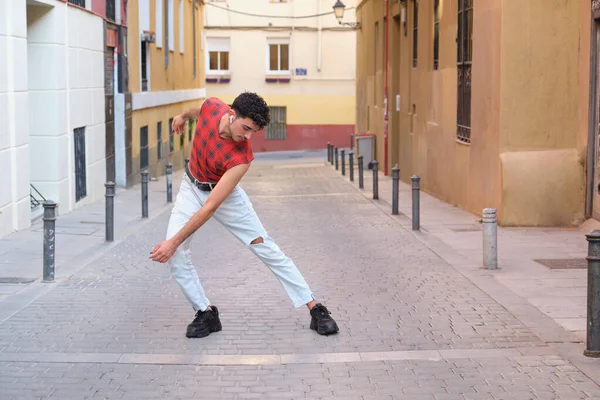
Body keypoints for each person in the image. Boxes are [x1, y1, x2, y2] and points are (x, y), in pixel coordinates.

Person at [149, 92, 339, 338]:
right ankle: (205, 313)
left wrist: (172, 242)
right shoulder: (212, 106)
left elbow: (210, 207)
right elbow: (199, 109)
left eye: (254, 132)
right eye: (246, 128)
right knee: (176, 257)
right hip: (190, 186)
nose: (248, 136)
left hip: (224, 197)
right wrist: (183, 116)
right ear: (231, 114)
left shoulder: (242, 156)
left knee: (264, 246)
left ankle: (315, 308)